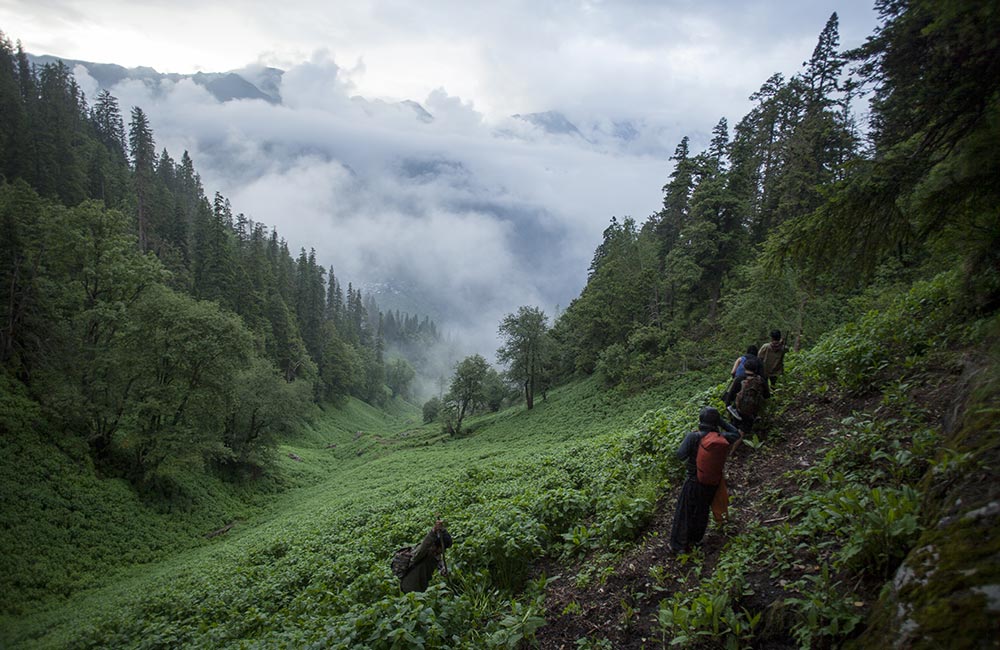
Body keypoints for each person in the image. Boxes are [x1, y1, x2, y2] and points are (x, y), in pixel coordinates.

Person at [669, 407, 741, 555]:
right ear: (716, 422)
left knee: (685, 512)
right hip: (711, 482)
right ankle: (696, 541)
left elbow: (680, 455)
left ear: (701, 420)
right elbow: (736, 433)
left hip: (693, 480)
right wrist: (721, 421)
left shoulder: (693, 436)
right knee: (702, 511)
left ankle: (679, 546)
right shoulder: (722, 437)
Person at [399, 519, 452, 593]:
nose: (444, 551)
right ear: (437, 546)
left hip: (421, 586)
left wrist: (442, 570)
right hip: (410, 587)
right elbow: (424, 546)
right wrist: (433, 531)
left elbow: (439, 562)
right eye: (443, 548)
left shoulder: (436, 554)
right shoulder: (423, 552)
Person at [726, 356, 769, 436]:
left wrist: (728, 405)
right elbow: (767, 395)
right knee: (745, 428)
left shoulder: (739, 379)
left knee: (734, 427)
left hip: (738, 409)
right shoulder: (761, 380)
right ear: (756, 369)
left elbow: (731, 394)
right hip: (753, 410)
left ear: (744, 367)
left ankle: (733, 440)